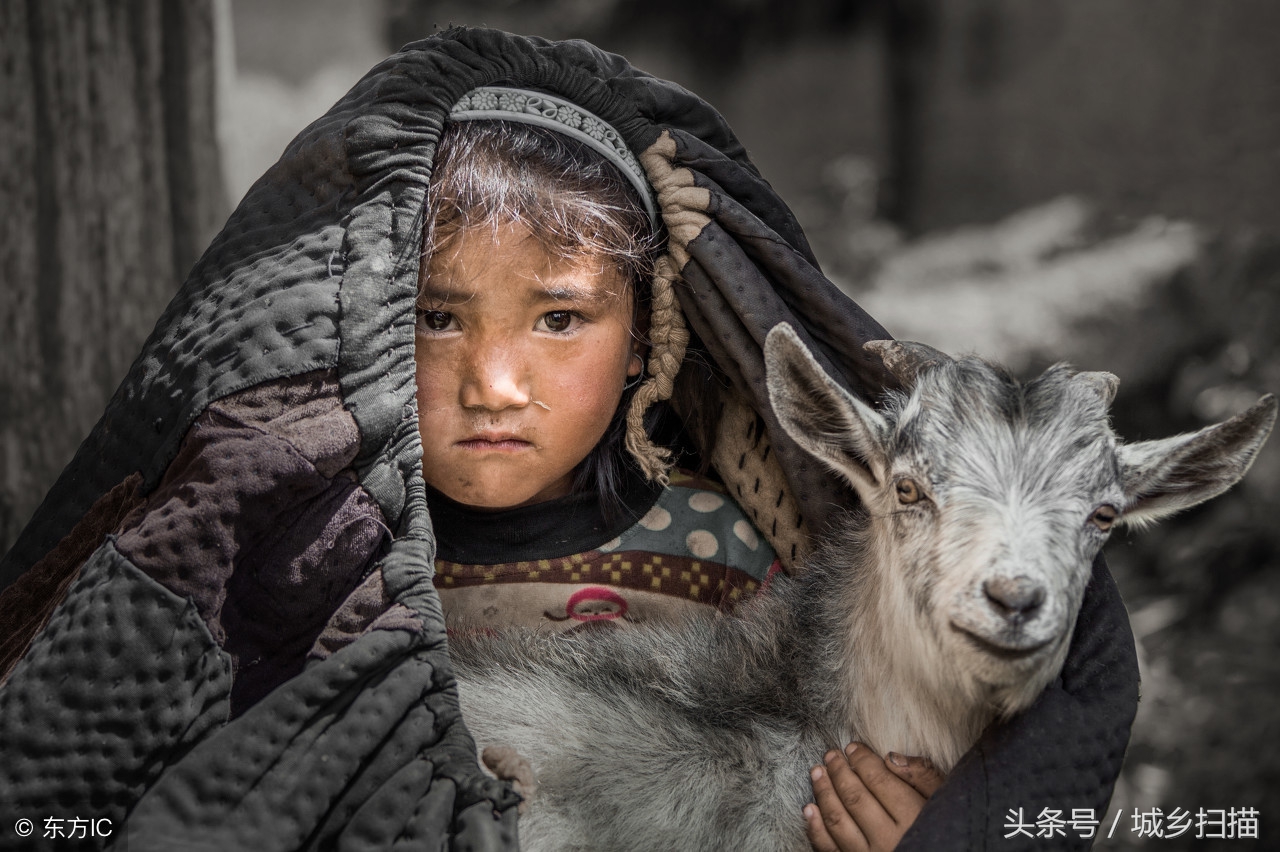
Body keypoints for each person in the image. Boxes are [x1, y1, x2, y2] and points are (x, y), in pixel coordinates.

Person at [0, 27, 1138, 851]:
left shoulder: (755, 554)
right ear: (364, 326)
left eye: (558, 318)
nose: (494, 380)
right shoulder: (307, 560)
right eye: (436, 316)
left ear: (644, 337)